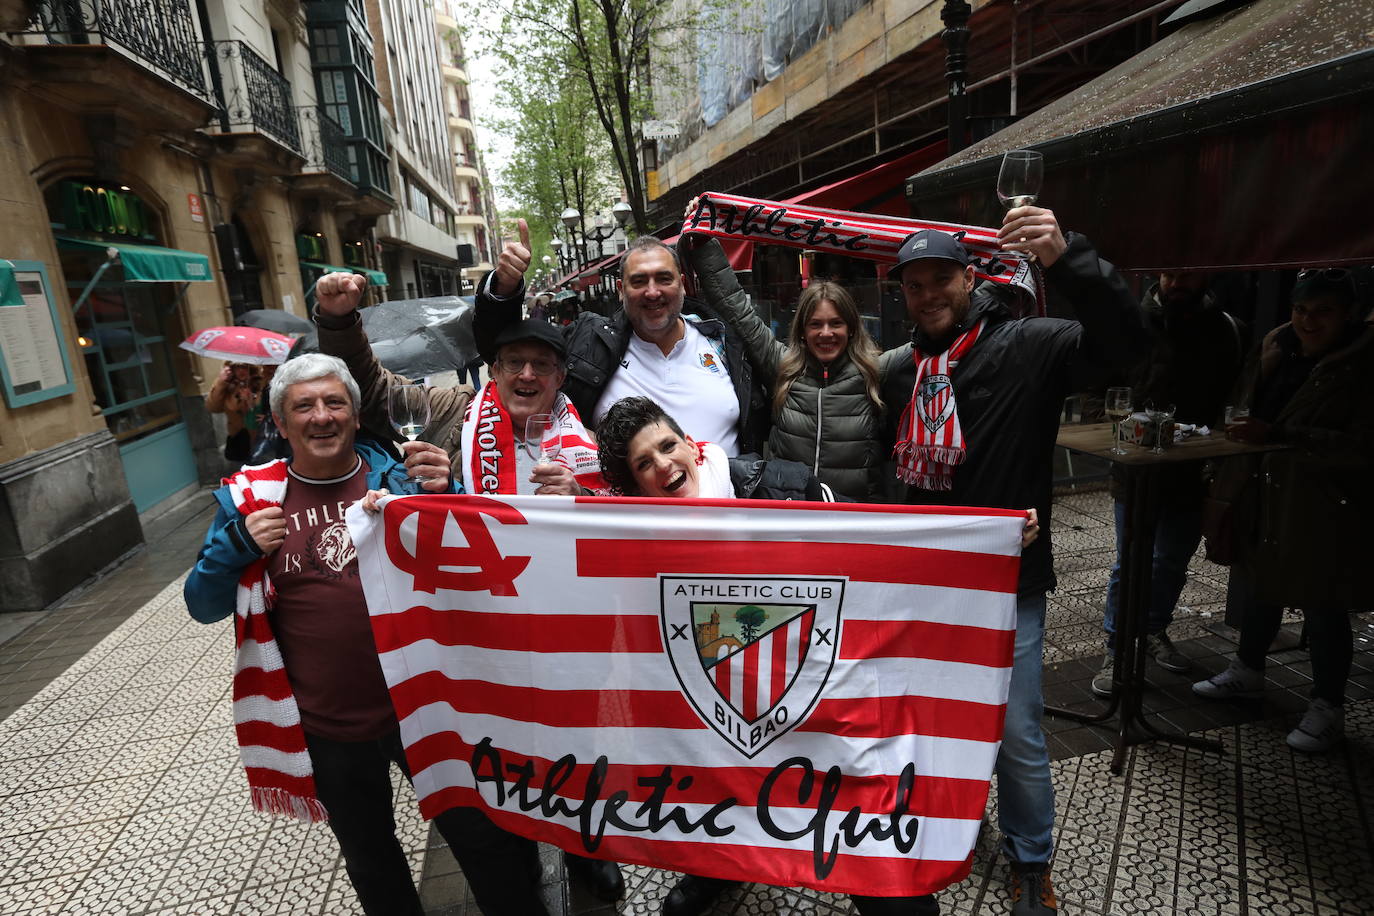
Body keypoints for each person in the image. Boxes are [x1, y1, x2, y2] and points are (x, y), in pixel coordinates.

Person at [183, 353, 547, 916]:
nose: (322, 416)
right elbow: (201, 605)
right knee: (370, 854)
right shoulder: (251, 502)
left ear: (356, 415)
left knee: (480, 835)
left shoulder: (400, 477)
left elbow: (471, 570)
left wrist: (445, 491)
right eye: (304, 406)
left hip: (425, 707)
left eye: (335, 403)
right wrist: (237, 545)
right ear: (281, 423)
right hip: (329, 724)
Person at [879, 208, 1146, 916]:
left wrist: (1068, 258)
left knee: (1017, 731)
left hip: (1006, 585)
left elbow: (1128, 346)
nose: (927, 294)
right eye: (913, 285)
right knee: (928, 722)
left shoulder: (1031, 344)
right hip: (923, 589)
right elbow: (891, 473)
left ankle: (1032, 859)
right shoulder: (902, 370)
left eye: (940, 279)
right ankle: (950, 829)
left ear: (969, 279)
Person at [596, 396, 944, 916]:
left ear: (691, 445)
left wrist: (988, 534)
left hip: (812, 690)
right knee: (713, 789)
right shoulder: (639, 538)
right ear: (636, 485)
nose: (664, 465)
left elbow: (872, 534)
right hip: (721, 711)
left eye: (668, 446)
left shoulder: (779, 483)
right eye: (645, 464)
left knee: (861, 835)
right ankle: (712, 868)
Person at [1192, 268, 1374, 752]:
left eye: (1322, 313)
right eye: (1300, 310)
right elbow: (1245, 406)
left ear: (1349, 315)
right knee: (1260, 586)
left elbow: (1363, 447)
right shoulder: (1279, 350)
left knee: (1322, 603)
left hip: (1327, 503)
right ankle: (1247, 669)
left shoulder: (1361, 364)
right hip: (1267, 490)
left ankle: (1328, 705)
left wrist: (1281, 436)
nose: (1307, 321)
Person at [475, 220, 769, 457]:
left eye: (663, 279)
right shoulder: (588, 343)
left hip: (725, 520)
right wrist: (504, 288)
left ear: (681, 283)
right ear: (620, 289)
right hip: (626, 526)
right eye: (638, 281)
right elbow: (503, 351)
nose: (652, 292)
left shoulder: (724, 341)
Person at [1091, 272, 1247, 697]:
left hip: (1192, 469)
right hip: (1135, 468)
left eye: (1188, 274)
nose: (1178, 281)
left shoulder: (1226, 329)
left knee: (1171, 561)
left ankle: (1154, 629)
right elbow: (1099, 391)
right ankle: (1118, 647)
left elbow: (1234, 398)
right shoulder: (1129, 322)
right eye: (1170, 273)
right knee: (1131, 561)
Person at [311, 274, 596, 498]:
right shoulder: (452, 410)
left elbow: (617, 516)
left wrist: (581, 496)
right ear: (495, 371)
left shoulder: (589, 443)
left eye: (542, 364)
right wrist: (339, 322)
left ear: (560, 377)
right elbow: (370, 389)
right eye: (514, 363)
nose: (527, 374)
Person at [687, 238, 887, 501]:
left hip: (856, 520)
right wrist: (704, 245)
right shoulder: (783, 366)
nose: (826, 333)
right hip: (788, 515)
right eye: (815, 324)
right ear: (802, 331)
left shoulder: (875, 369)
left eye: (835, 323)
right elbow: (735, 308)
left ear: (851, 328)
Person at [206, 361, 263, 462]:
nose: (241, 370)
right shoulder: (228, 386)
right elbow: (213, 408)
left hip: (260, 439)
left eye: (244, 366)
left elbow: (273, 406)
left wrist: (252, 401)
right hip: (238, 440)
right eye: (237, 367)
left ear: (251, 367)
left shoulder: (260, 383)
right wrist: (221, 382)